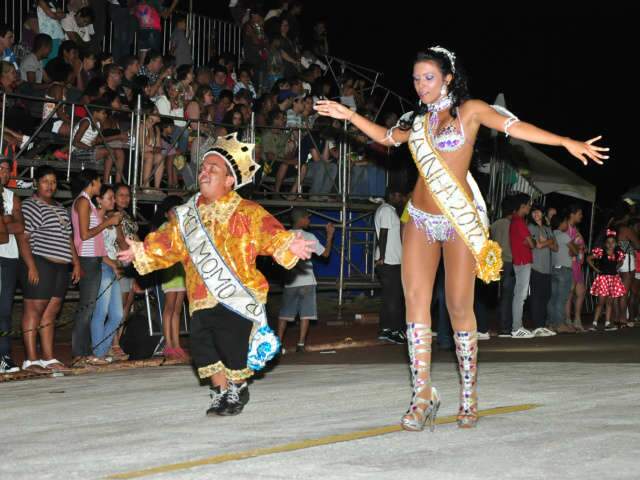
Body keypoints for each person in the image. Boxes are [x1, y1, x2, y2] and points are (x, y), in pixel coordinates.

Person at [315, 45, 607, 431]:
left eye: (429, 77)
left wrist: (566, 141)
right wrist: (349, 114)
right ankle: (422, 395)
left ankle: (468, 395)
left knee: (458, 307)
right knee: (415, 305)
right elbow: (387, 138)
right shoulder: (416, 122)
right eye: (417, 79)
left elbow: (515, 127)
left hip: (458, 222)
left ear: (448, 77)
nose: (421, 85)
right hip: (418, 220)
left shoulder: (470, 111)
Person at [118, 134, 315, 416]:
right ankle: (221, 392)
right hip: (200, 296)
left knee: (232, 345)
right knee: (204, 348)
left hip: (236, 294)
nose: (204, 172)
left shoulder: (247, 211)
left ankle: (237, 389)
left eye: (213, 168)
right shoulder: (186, 215)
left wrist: (289, 243)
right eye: (203, 167)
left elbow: (270, 235)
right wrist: (141, 251)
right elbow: (168, 243)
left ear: (229, 180)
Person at [18, 166, 81, 372]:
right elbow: (24, 238)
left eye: (53, 182)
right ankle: (31, 360)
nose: (50, 186)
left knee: (50, 313)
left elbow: (68, 239)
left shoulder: (61, 208)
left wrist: (76, 263)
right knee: (33, 311)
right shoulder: (30, 205)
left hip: (61, 266)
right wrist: (31, 266)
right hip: (40, 262)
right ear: (37, 183)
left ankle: (48, 358)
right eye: (45, 181)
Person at [71, 169, 122, 367]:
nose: (101, 184)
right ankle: (79, 353)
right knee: (87, 309)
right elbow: (84, 234)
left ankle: (86, 352)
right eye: (99, 181)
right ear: (92, 182)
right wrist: (108, 222)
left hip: (94, 258)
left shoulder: (88, 203)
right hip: (87, 258)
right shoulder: (83, 202)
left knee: (90, 308)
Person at [277, 208, 335, 353]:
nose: (309, 221)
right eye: (307, 218)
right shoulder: (309, 236)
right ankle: (301, 343)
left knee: (284, 314)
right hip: (307, 281)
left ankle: (277, 344)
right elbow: (326, 254)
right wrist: (329, 236)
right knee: (306, 314)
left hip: (290, 281)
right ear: (301, 219)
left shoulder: (284, 236)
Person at [151, 195, 188, 360]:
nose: (176, 213)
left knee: (178, 310)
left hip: (183, 272)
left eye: (178, 210)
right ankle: (168, 344)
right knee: (169, 307)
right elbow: (160, 250)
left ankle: (177, 344)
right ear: (166, 214)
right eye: (173, 211)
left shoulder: (183, 228)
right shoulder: (164, 228)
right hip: (170, 272)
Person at [0, 158, 25, 374]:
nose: (4, 172)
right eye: (0, 168)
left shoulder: (11, 197)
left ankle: (4, 355)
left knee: (5, 310)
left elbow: (20, 226)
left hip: (8, 258)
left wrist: (5, 224)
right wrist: (7, 222)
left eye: (7, 170)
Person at [374, 188, 406, 344]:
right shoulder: (387, 210)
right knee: (394, 298)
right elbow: (384, 232)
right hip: (390, 261)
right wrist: (382, 256)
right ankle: (395, 330)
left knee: (388, 298)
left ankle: (385, 329)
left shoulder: (386, 210)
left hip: (390, 260)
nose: (401, 199)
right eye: (399, 195)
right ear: (392, 195)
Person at [528, 205, 558, 337]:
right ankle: (537, 326)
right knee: (536, 297)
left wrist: (547, 241)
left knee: (546, 296)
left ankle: (542, 325)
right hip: (536, 267)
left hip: (547, 268)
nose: (535, 214)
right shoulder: (531, 227)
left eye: (538, 211)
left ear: (543, 213)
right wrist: (549, 242)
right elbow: (537, 245)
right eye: (533, 212)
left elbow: (556, 247)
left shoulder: (547, 228)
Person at [588, 229, 626, 331]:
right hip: (603, 279)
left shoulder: (618, 254)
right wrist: (596, 269)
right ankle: (594, 323)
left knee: (610, 302)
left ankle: (608, 323)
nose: (610, 244)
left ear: (616, 243)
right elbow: (589, 259)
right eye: (608, 242)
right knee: (601, 302)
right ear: (605, 244)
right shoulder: (601, 253)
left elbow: (621, 262)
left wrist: (616, 268)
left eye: (612, 242)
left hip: (613, 279)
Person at [509, 194, 535, 339]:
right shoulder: (519, 221)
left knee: (520, 295)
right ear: (523, 205)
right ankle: (516, 327)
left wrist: (529, 241)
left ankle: (517, 327)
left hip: (520, 261)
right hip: (522, 261)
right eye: (528, 205)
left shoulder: (516, 220)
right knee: (520, 296)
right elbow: (532, 243)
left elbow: (530, 242)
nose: (530, 207)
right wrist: (530, 241)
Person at [549, 214, 578, 333]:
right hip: (564, 269)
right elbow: (575, 250)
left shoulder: (551, 234)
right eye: (566, 222)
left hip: (553, 269)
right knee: (562, 299)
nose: (567, 224)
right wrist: (574, 249)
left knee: (553, 298)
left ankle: (551, 323)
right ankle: (560, 324)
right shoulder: (564, 236)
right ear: (561, 223)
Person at [491, 196, 515, 337]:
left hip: (496, 262)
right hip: (509, 261)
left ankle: (500, 325)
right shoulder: (512, 224)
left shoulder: (495, 224)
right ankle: (506, 327)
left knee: (499, 295)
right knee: (508, 296)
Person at [564, 205, 586, 332]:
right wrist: (579, 248)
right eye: (579, 213)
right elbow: (569, 248)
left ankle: (577, 319)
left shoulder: (575, 228)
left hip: (577, 264)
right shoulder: (566, 228)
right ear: (572, 214)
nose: (581, 216)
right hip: (570, 264)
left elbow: (580, 246)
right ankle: (568, 320)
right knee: (570, 293)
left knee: (581, 292)